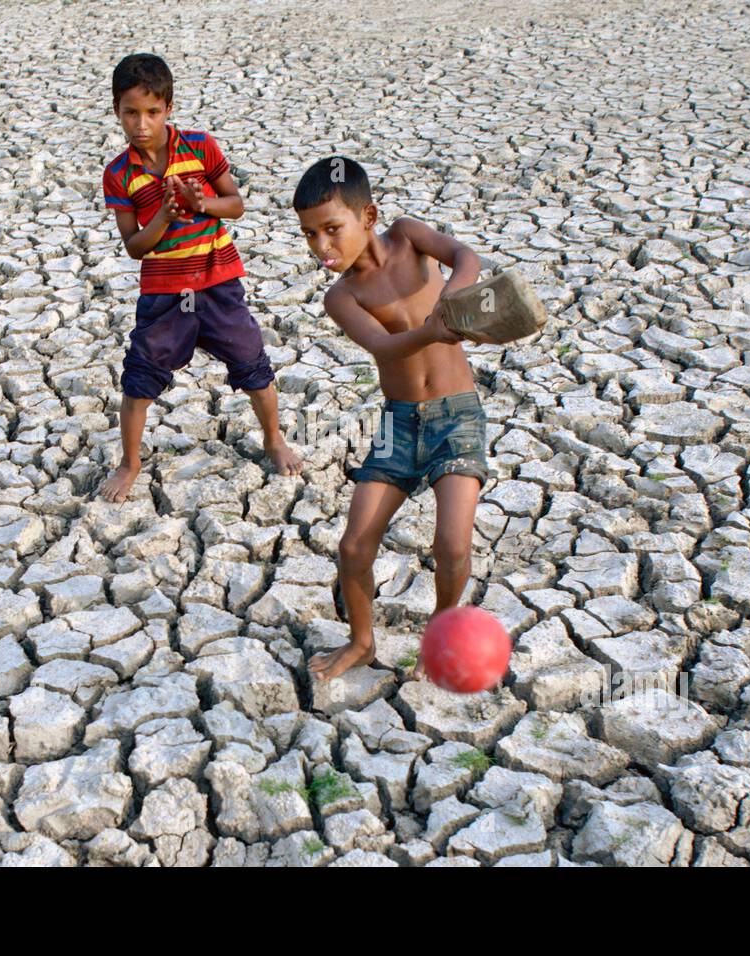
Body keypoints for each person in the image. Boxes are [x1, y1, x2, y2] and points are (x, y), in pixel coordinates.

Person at [293, 156, 492, 681]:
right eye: (310, 235)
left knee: (451, 545)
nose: (322, 247)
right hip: (399, 422)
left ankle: (444, 634)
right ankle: (361, 641)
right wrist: (434, 330)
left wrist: (454, 297)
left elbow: (465, 256)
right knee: (355, 545)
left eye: (332, 230)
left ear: (369, 216)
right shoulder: (343, 297)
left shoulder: (408, 237)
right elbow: (383, 344)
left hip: (458, 416)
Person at [99, 53, 301, 502]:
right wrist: (166, 218)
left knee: (253, 364)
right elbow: (135, 246)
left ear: (168, 108)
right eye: (130, 113)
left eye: (152, 112)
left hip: (217, 284)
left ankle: (273, 438)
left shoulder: (199, 147)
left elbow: (235, 203)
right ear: (116, 111)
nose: (141, 124)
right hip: (165, 295)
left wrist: (201, 204)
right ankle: (130, 462)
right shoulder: (118, 174)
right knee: (140, 377)